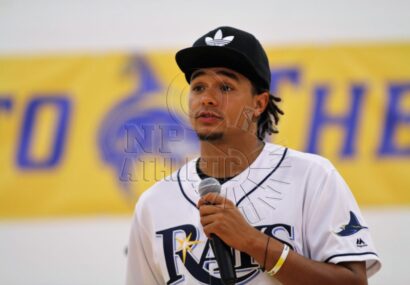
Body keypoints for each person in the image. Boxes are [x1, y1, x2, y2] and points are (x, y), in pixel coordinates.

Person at [126, 26, 381, 285]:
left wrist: (252, 242)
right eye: (199, 86)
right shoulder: (153, 204)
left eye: (225, 87)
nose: (207, 99)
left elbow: (353, 282)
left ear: (259, 103)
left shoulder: (312, 177)